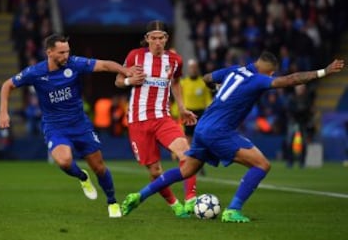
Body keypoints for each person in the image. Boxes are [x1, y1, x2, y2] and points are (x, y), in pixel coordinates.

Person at [120, 51, 344, 222]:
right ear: (268, 71)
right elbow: (291, 80)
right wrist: (324, 71)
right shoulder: (258, 79)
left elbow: (207, 77)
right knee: (262, 165)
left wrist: (215, 90)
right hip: (219, 132)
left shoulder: (235, 70)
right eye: (272, 73)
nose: (273, 76)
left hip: (202, 126)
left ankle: (138, 196)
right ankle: (233, 210)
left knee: (186, 170)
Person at [0, 34, 139, 218]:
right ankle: (82, 177)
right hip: (55, 126)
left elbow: (104, 65)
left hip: (80, 124)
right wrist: (3, 111)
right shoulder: (35, 72)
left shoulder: (74, 63)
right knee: (64, 161)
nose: (66, 55)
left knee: (99, 167)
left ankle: (112, 201)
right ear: (49, 52)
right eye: (62, 52)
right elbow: (7, 85)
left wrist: (125, 70)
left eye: (68, 51)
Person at [115, 20, 198, 218]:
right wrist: (128, 80)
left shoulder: (175, 60)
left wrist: (182, 107)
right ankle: (175, 205)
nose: (158, 42)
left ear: (166, 39)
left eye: (161, 38)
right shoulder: (135, 56)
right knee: (155, 171)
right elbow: (118, 81)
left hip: (163, 118)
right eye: (153, 38)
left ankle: (190, 199)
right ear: (147, 39)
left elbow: (176, 82)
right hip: (138, 120)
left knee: (188, 154)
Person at [180, 58, 212, 175]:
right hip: (188, 112)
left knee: (200, 139)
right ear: (189, 69)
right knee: (188, 139)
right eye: (191, 67)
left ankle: (200, 164)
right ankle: (190, 163)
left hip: (200, 113)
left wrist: (209, 109)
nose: (193, 69)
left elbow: (208, 99)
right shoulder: (183, 83)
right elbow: (180, 99)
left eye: (195, 67)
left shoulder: (202, 82)